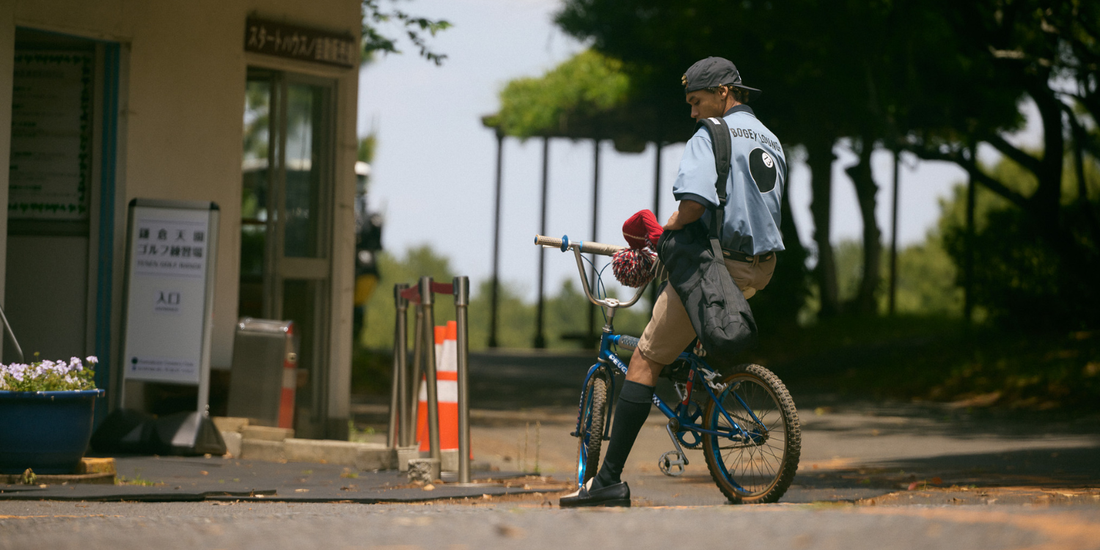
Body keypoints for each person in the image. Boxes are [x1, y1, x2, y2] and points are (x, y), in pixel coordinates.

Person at [560, 56, 787, 507]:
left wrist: (668, 227)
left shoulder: (712, 134)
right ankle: (693, 393)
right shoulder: (768, 136)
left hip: (719, 266)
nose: (693, 111)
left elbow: (695, 203)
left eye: (697, 100)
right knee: (683, 341)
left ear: (723, 92)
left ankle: (606, 481)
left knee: (645, 357)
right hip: (762, 264)